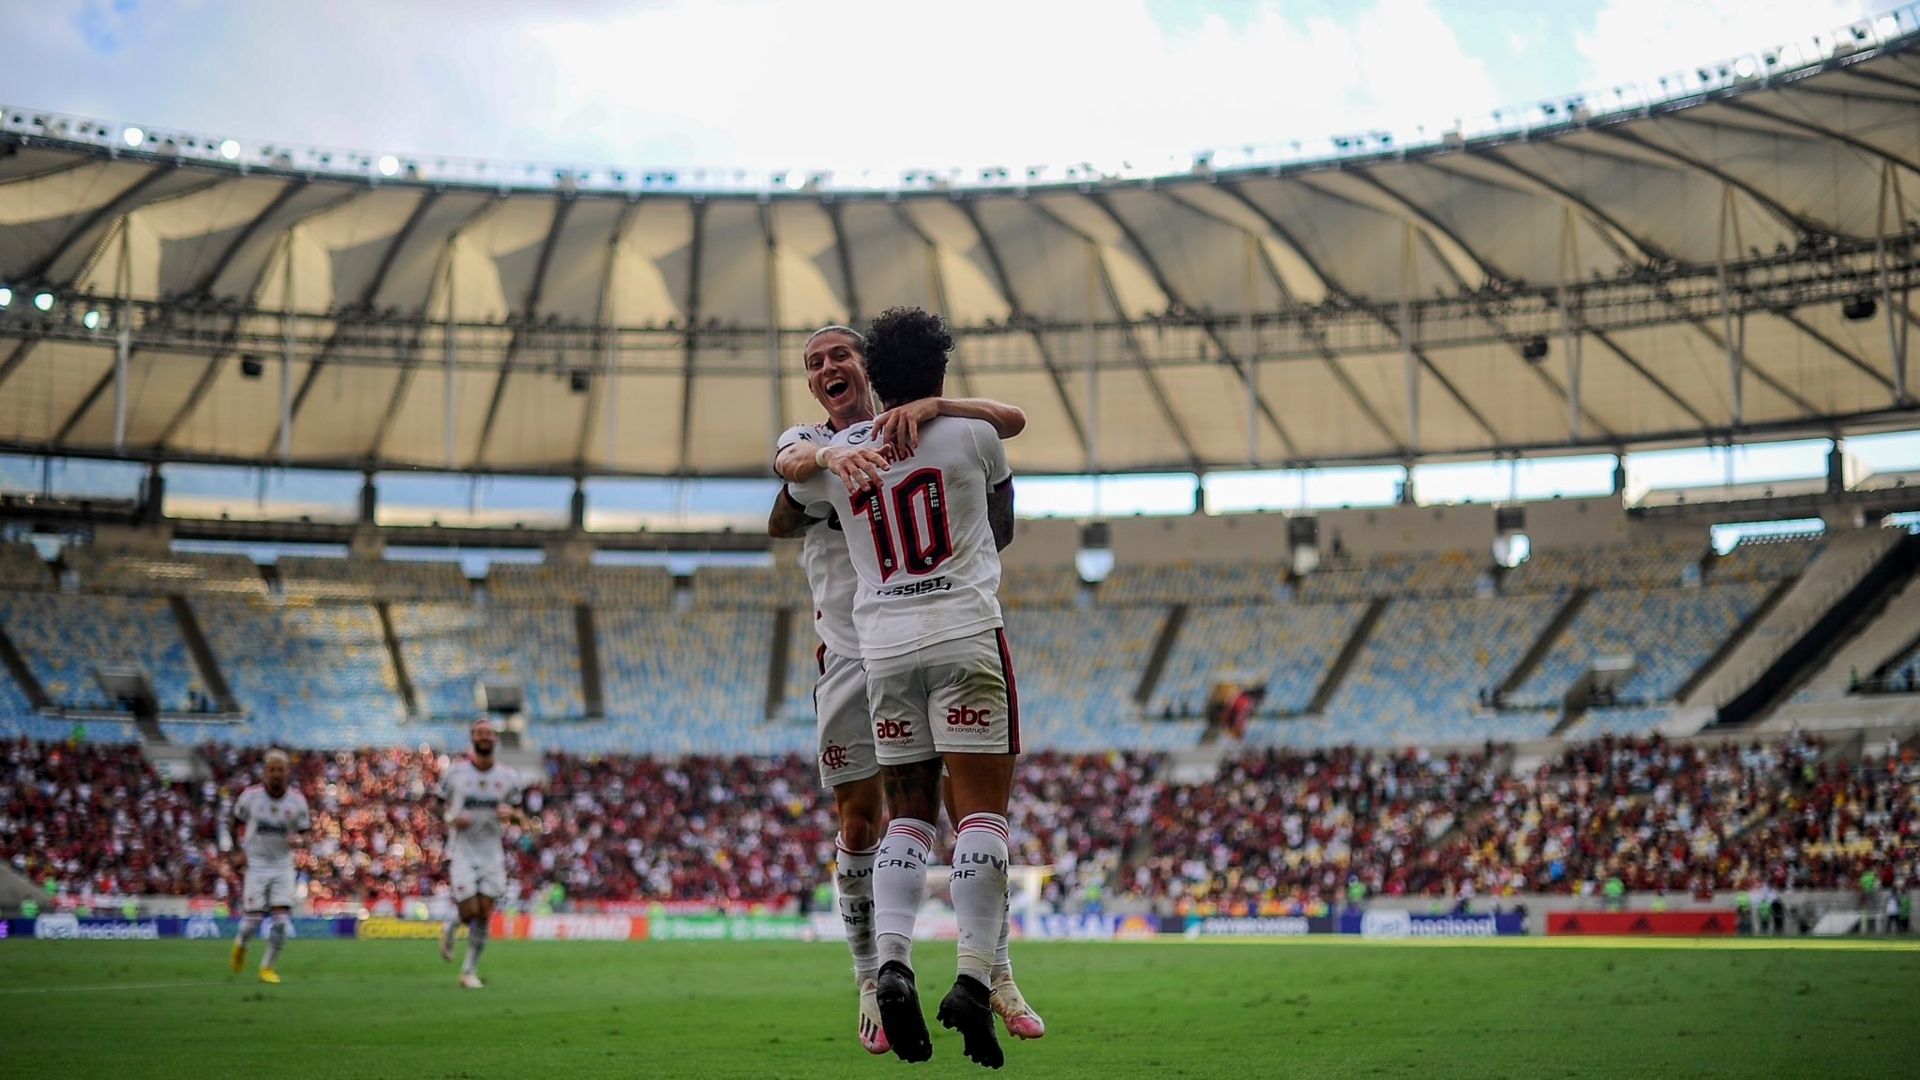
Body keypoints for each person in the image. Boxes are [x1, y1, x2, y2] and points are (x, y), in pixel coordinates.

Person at [769, 323, 1042, 1057]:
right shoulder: (818, 444)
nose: (827, 367)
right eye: (814, 361)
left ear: (868, 369)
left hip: (887, 639)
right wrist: (835, 451)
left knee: (918, 818)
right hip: (875, 646)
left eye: (839, 355)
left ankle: (985, 970)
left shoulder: (856, 456)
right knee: (906, 819)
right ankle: (886, 979)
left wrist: (918, 417)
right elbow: (782, 498)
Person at [436, 720, 529, 989]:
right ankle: (451, 926)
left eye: (489, 733)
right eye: (480, 733)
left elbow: (522, 819)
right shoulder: (455, 773)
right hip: (463, 851)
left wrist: (512, 815)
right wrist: (451, 817)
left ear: (495, 740)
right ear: (473, 738)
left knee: (484, 913)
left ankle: (468, 972)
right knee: (470, 910)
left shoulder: (508, 777)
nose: (485, 737)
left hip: (492, 854)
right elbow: (435, 806)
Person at [228, 748, 311, 984]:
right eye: (272, 769)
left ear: (287, 772)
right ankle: (240, 946)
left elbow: (307, 834)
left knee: (282, 923)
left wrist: (300, 841)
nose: (276, 773)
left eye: (281, 769)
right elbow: (233, 824)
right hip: (255, 864)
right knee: (251, 923)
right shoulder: (250, 797)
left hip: (283, 866)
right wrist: (236, 851)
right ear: (265, 772)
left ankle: (267, 969)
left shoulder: (297, 801)